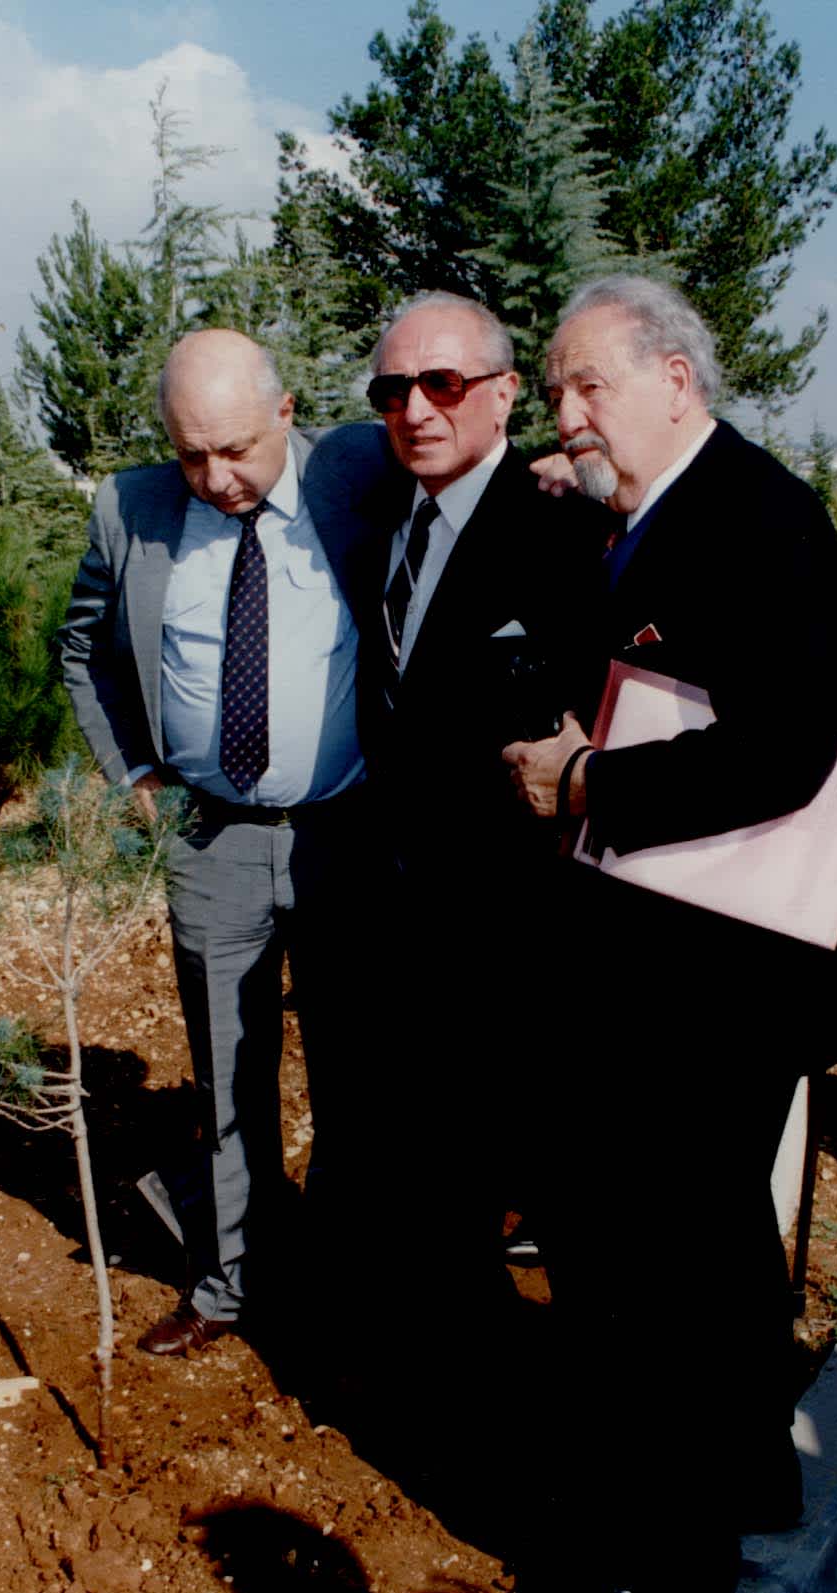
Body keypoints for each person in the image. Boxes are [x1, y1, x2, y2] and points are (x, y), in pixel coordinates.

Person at [502, 275, 837, 1593]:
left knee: (663, 1256)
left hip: (720, 973)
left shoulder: (759, 519)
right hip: (671, 959)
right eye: (554, 392)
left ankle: (677, 1557)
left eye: (588, 385)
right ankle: (749, 1480)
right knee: (712, 1246)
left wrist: (587, 776)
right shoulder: (645, 514)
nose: (569, 414)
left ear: (676, 377)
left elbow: (785, 748)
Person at [59, 329, 389, 1356]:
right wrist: (134, 771)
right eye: (190, 453)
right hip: (207, 834)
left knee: (353, 1065)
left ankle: (344, 1278)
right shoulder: (132, 507)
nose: (216, 477)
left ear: (286, 413)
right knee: (226, 1066)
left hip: (346, 829)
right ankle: (231, 1284)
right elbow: (83, 647)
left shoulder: (359, 478)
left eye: (237, 449)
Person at [357, 291, 591, 1304]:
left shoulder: (564, 525)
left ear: (502, 395)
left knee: (561, 1191)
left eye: (442, 383)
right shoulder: (374, 517)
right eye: (392, 388)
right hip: (406, 920)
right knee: (440, 1178)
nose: (415, 408)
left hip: (528, 931)